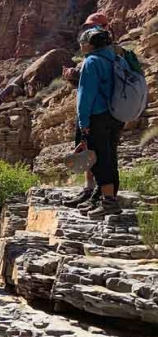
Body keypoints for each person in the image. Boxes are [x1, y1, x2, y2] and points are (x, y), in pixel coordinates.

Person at [62, 13, 124, 210]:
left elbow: (86, 95)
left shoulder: (91, 62)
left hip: (96, 116)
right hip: (114, 114)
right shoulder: (115, 57)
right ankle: (105, 197)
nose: (81, 44)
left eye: (84, 41)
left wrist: (83, 123)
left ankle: (107, 201)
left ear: (91, 43)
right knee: (108, 157)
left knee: (98, 158)